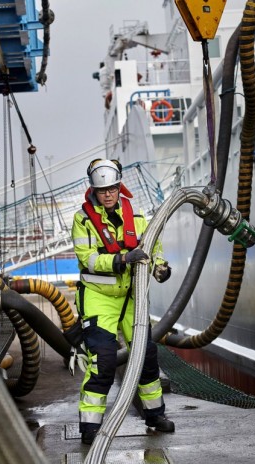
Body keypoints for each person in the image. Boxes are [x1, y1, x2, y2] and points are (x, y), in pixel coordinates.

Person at [70, 158, 174, 445]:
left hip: (131, 297)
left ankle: (155, 415)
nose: (108, 194)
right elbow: (87, 258)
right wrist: (121, 259)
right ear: (94, 190)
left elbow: (153, 245)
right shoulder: (83, 219)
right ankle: (90, 426)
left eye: (113, 188)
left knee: (146, 356)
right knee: (102, 360)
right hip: (98, 298)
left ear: (119, 187)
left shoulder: (136, 214)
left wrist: (160, 266)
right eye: (103, 190)